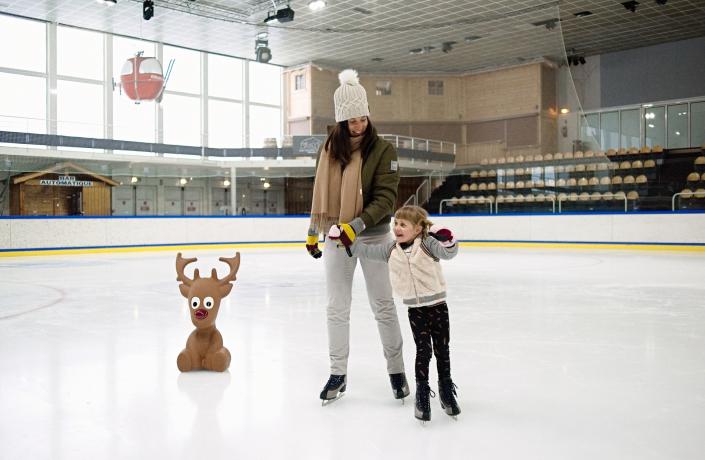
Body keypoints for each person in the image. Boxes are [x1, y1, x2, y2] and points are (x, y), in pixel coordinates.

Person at [305, 69, 409, 404]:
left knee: (383, 305)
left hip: (373, 237)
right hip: (336, 235)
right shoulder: (329, 149)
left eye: (363, 118)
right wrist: (312, 231)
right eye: (352, 121)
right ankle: (338, 373)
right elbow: (321, 195)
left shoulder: (383, 150)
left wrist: (357, 226)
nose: (359, 126)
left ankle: (396, 371)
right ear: (341, 122)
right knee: (336, 307)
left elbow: (385, 200)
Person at [344, 205, 460, 422]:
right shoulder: (391, 249)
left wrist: (448, 240)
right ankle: (422, 394)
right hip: (416, 311)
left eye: (403, 224)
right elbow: (369, 252)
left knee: (442, 350)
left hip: (438, 307)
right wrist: (349, 241)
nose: (397, 228)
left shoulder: (427, 244)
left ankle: (445, 390)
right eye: (395, 223)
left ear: (417, 229)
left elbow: (449, 253)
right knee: (423, 351)